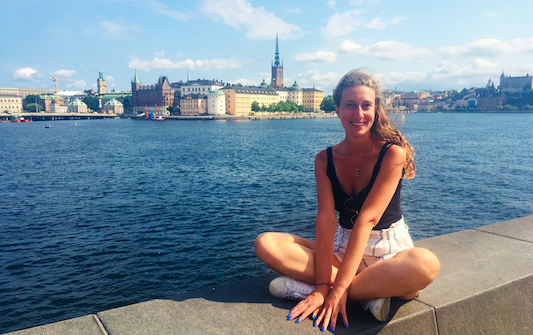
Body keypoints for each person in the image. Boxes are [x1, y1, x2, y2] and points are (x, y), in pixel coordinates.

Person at [254, 69, 440, 331]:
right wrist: (322, 286)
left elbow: (368, 218)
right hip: (343, 249)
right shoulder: (324, 159)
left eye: (366, 105)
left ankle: (326, 291)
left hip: (387, 250)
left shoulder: (392, 154)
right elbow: (327, 219)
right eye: (350, 105)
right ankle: (367, 296)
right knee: (266, 243)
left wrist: (336, 287)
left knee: (425, 265)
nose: (359, 114)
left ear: (376, 109)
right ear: (338, 110)